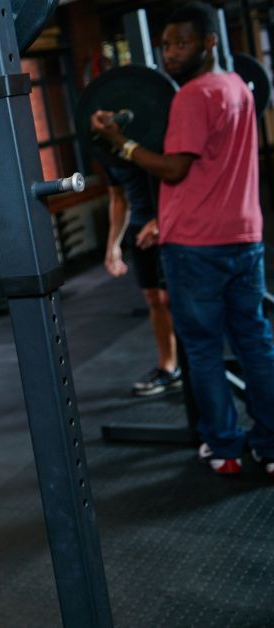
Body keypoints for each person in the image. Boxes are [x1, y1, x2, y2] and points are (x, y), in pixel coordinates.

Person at [91, 1, 274, 478]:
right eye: (166, 45)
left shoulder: (193, 96)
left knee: (204, 350)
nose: (170, 53)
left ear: (208, 42)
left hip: (196, 248)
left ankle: (225, 448)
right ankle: (271, 446)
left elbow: (175, 168)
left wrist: (121, 141)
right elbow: (210, 169)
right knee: (255, 343)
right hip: (244, 237)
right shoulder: (239, 87)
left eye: (181, 43)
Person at [100, 162, 181, 396]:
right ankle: (169, 368)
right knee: (154, 299)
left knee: (173, 298)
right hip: (139, 228)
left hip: (173, 222)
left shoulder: (149, 143)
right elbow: (118, 198)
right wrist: (113, 245)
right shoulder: (104, 150)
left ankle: (201, 363)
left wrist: (163, 220)